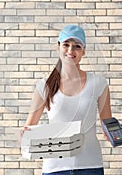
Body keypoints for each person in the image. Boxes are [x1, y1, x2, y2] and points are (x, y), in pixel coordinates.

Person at [21, 25, 112, 175]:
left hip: (90, 165)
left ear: (84, 51)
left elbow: (107, 124)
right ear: (58, 47)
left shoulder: (98, 83)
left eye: (77, 46)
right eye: (66, 45)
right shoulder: (45, 86)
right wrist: (24, 134)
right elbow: (30, 126)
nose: (71, 51)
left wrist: (116, 133)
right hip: (55, 168)